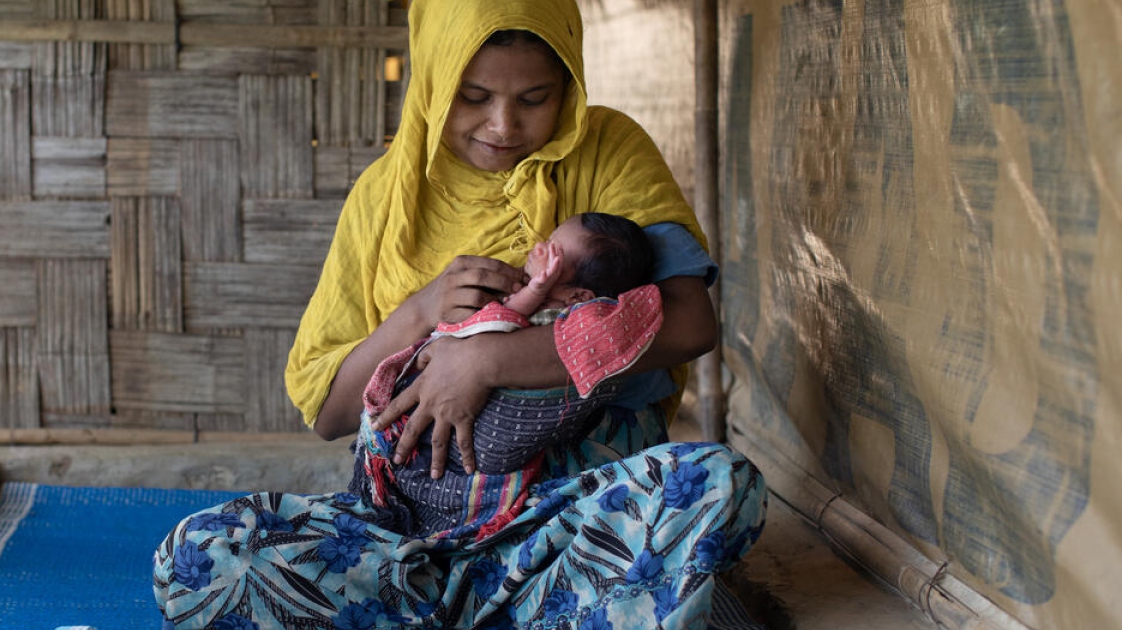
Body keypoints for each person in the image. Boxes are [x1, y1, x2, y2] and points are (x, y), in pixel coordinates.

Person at [153, 1, 767, 628]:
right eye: (472, 95)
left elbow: (690, 323)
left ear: (571, 87)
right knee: (203, 556)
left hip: (566, 523)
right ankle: (510, 611)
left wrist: (482, 360)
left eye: (535, 97)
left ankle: (457, 611)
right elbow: (330, 413)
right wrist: (419, 312)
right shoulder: (383, 198)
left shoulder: (606, 149)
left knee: (716, 484)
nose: (503, 124)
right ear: (433, 81)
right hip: (404, 535)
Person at [353, 212, 670, 540]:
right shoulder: (539, 302)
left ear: (579, 298)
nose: (537, 248)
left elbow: (509, 318)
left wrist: (535, 289)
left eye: (552, 251)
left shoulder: (577, 324)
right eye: (545, 241)